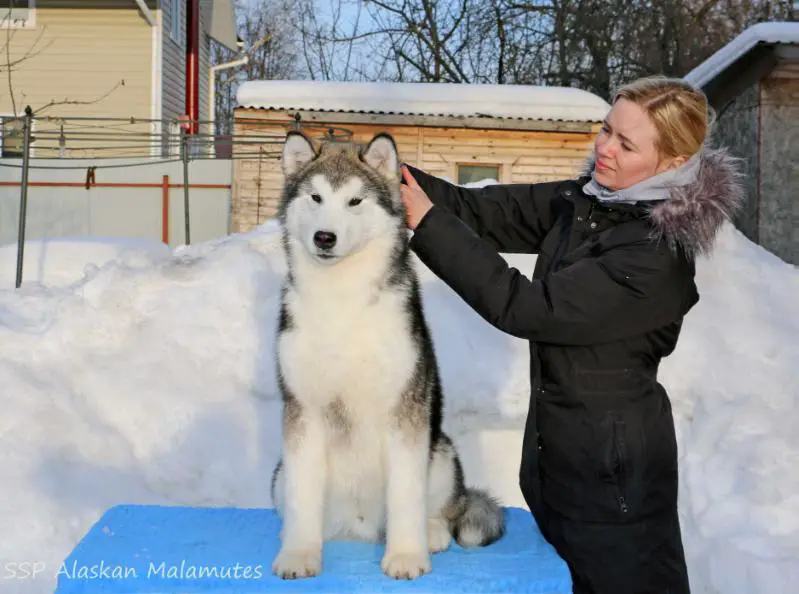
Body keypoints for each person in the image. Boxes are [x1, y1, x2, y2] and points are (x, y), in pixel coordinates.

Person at [399, 76, 744, 594]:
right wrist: (388, 175)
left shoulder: (652, 255)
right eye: (607, 130)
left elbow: (526, 307)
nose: (604, 148)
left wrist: (428, 224)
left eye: (626, 144)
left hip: (612, 484)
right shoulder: (591, 202)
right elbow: (487, 211)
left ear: (672, 163)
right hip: (559, 463)